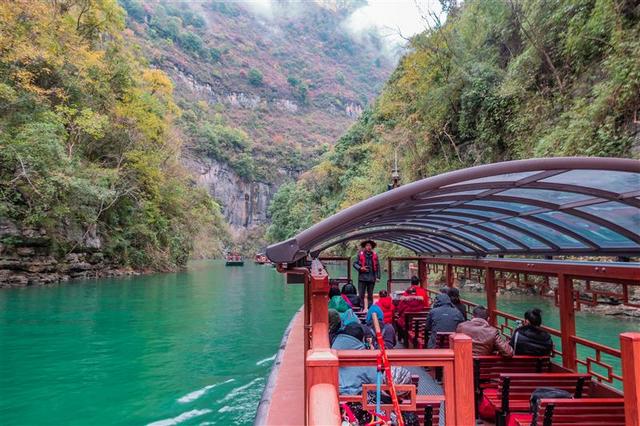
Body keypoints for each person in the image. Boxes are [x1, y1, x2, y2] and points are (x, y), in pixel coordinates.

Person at [331, 323, 376, 395]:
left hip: (331, 394)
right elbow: (376, 381)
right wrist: (371, 353)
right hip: (355, 400)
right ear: (361, 339)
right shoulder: (364, 357)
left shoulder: (331, 350)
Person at [353, 240, 380, 308]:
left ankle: (370, 309)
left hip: (371, 278)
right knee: (361, 294)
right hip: (362, 278)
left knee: (370, 295)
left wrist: (378, 277)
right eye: (367, 245)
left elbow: (378, 266)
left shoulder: (375, 255)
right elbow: (354, 264)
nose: (369, 247)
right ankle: (361, 308)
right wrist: (360, 268)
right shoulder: (360, 254)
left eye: (370, 245)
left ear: (372, 247)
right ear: (365, 247)